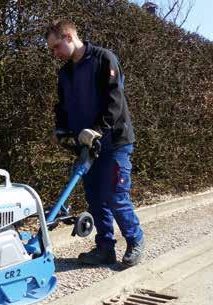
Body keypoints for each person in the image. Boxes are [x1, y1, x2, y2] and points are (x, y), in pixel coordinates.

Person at [45, 19, 145, 266]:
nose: (54, 53)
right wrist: (62, 129)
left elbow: (115, 102)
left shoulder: (104, 59)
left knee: (115, 195)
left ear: (69, 37)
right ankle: (105, 248)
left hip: (114, 142)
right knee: (95, 197)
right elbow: (62, 106)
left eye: (56, 46)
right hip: (87, 145)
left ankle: (135, 241)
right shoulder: (65, 72)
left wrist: (97, 130)